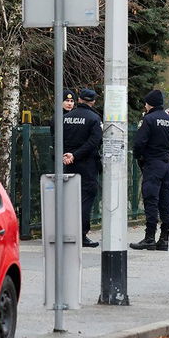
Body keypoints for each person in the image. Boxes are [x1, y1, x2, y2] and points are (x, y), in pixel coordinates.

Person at [130, 90, 169, 250]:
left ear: (149, 104)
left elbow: (139, 143)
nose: (145, 106)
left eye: (145, 103)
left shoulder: (148, 119)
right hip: (166, 164)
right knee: (166, 201)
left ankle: (149, 238)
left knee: (151, 199)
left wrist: (140, 157)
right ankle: (164, 239)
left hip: (152, 164)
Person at [63, 88, 102, 247]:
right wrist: (76, 155)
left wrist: (67, 155)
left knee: (70, 199)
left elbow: (58, 137)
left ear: (79, 100)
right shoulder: (94, 118)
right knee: (86, 199)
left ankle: (67, 232)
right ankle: (81, 234)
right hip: (86, 164)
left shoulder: (66, 118)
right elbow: (94, 142)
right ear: (92, 102)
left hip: (68, 163)